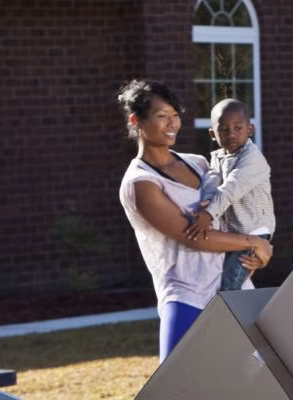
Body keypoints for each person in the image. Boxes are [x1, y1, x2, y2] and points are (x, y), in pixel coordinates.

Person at [116, 79, 273, 362]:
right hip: (186, 295)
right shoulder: (141, 184)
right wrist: (254, 242)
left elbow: (232, 210)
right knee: (175, 385)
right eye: (162, 116)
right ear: (136, 120)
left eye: (175, 115)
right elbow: (194, 235)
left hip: (231, 285)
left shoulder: (199, 163)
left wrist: (255, 253)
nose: (171, 124)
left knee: (252, 380)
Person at [185, 98, 275, 291]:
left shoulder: (252, 159)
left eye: (238, 128)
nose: (231, 134)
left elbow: (231, 189)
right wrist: (207, 200)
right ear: (212, 134)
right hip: (235, 233)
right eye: (223, 129)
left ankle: (226, 317)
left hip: (254, 231)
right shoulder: (218, 157)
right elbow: (213, 179)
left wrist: (208, 213)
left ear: (249, 130)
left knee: (229, 284)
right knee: (224, 277)